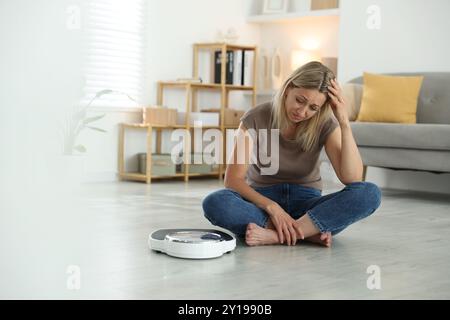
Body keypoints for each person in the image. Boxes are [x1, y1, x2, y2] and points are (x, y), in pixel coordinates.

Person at [202, 61, 381, 247]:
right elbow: (233, 180)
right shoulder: (255, 118)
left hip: (307, 208)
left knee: (369, 193)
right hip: (262, 204)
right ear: (288, 88)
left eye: (313, 108)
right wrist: (273, 208)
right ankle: (306, 233)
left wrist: (343, 121)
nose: (303, 112)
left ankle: (277, 234)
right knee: (216, 202)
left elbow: (352, 178)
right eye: (300, 100)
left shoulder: (325, 123)